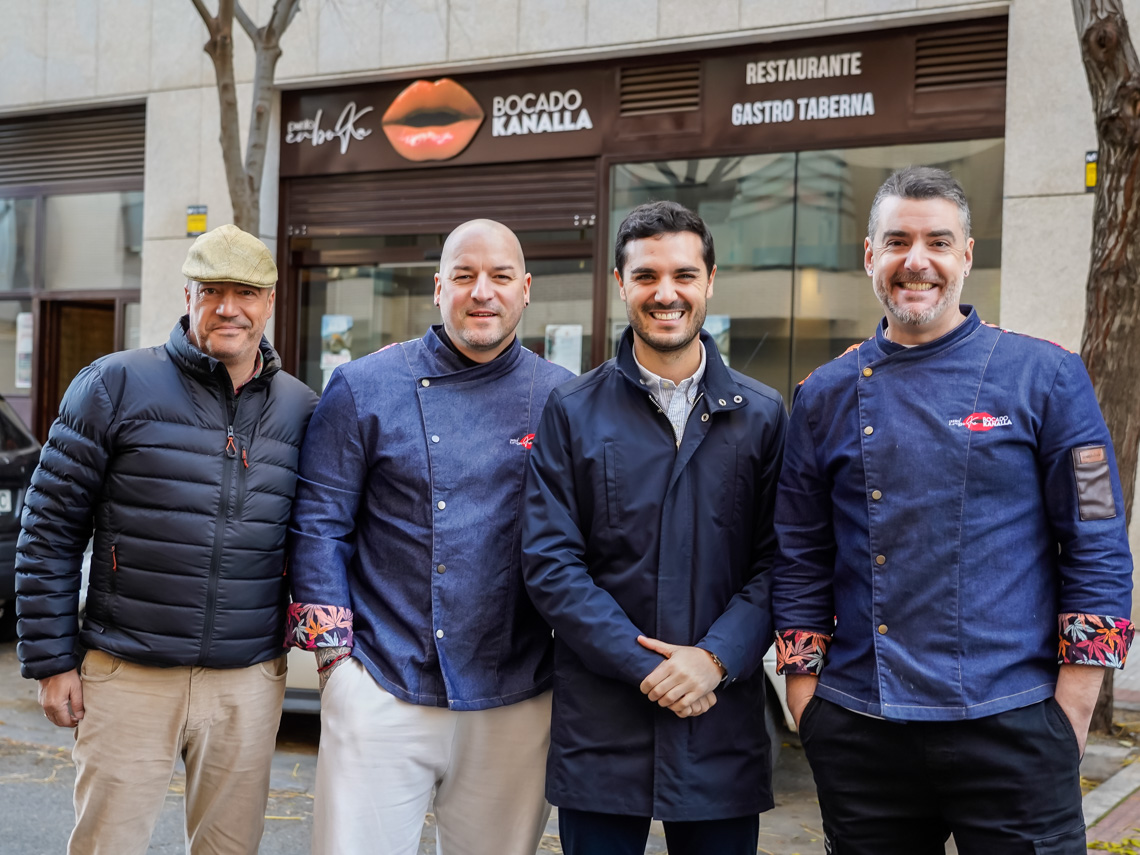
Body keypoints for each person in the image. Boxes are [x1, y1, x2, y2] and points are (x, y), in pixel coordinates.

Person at [772, 166, 1135, 853]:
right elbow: (799, 551)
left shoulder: (1050, 377)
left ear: (966, 255)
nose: (918, 260)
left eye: (938, 241)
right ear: (870, 257)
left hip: (1015, 720)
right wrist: (804, 699)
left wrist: (1074, 708)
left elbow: (1097, 537)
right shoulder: (821, 395)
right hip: (860, 723)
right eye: (898, 240)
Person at [15, 224, 318, 855]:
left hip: (247, 679)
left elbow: (316, 534)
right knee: (108, 845)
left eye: (245, 292)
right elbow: (49, 529)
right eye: (211, 291)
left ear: (269, 301)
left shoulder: (301, 409)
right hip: (126, 672)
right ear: (188, 296)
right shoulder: (113, 385)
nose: (228, 307)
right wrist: (50, 661)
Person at [286, 219, 573, 855]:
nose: (482, 292)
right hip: (383, 683)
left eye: (500, 277)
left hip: (514, 693)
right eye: (465, 276)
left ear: (526, 291)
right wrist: (337, 666)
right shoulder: (363, 386)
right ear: (438, 287)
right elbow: (319, 526)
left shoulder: (562, 397)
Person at [521, 200, 788, 855]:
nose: (665, 293)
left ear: (710, 280)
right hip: (603, 728)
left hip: (717, 719)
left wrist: (714, 659)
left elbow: (782, 562)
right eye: (645, 276)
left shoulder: (762, 416)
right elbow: (552, 564)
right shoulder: (572, 410)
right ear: (620, 283)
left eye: (683, 275)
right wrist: (650, 666)